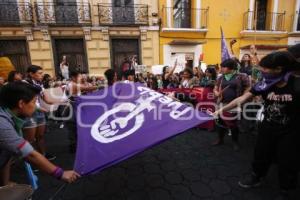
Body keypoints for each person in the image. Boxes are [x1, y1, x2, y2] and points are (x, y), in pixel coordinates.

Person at [212, 51, 299, 196]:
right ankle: (256, 177)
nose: (261, 71)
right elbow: (242, 99)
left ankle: (286, 189)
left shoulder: (296, 84)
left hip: (291, 131)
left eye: (264, 68)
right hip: (267, 127)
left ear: (278, 69)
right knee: (261, 154)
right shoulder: (264, 84)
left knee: (287, 161)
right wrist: (220, 111)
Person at [0, 82, 80, 186]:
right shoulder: (2, 124)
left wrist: (5, 185)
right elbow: (29, 154)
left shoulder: (7, 113)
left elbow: (8, 153)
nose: (35, 107)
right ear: (21, 104)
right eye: (34, 102)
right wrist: (60, 173)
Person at [23, 65, 61, 161]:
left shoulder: (39, 84)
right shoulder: (24, 84)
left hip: (39, 113)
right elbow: (25, 102)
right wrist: (40, 108)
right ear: (31, 74)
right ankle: (32, 160)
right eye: (39, 73)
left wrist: (60, 101)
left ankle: (42, 156)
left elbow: (46, 99)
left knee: (40, 136)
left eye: (42, 73)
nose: (42, 75)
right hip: (29, 113)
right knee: (30, 140)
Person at [212, 59, 250, 151]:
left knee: (233, 124)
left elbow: (248, 87)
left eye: (223, 67)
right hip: (222, 103)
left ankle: (235, 141)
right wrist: (216, 93)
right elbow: (215, 88)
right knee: (220, 122)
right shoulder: (221, 77)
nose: (221, 69)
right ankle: (220, 139)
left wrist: (244, 96)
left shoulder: (241, 76)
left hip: (235, 104)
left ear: (231, 67)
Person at [66, 70, 99, 153]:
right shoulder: (72, 84)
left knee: (75, 126)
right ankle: (74, 147)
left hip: (74, 106)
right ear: (73, 77)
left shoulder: (73, 84)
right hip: (72, 107)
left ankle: (76, 145)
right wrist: (99, 85)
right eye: (79, 76)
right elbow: (88, 88)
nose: (81, 78)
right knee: (74, 126)